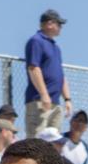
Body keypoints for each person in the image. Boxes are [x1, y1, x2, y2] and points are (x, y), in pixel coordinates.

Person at [24, 9, 71, 137]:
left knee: (53, 146)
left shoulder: (56, 47)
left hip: (55, 103)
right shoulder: (36, 41)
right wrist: (44, 94)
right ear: (50, 23)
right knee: (37, 143)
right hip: (39, 102)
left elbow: (60, 74)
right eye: (59, 24)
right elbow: (34, 68)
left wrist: (67, 99)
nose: (60, 27)